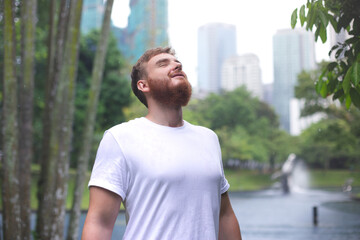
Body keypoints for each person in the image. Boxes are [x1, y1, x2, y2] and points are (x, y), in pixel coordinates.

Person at [82, 47, 242, 240]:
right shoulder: (120, 138)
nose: (176, 65)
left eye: (177, 63)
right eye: (163, 63)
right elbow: (99, 222)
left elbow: (224, 216)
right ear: (143, 85)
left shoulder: (208, 138)